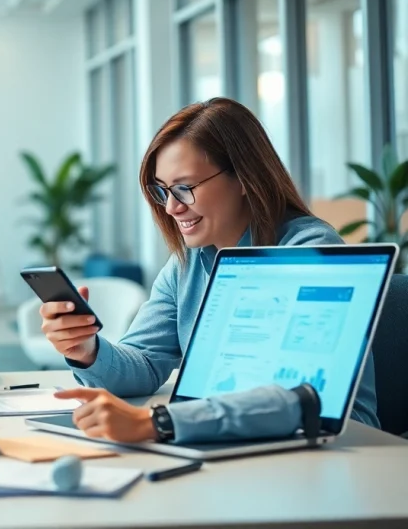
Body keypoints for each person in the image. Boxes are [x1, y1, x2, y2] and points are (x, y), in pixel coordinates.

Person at [44, 97, 380, 443]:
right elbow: (144, 363)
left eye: (184, 188)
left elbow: (304, 401)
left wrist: (160, 423)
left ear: (244, 178)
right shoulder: (186, 265)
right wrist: (87, 349)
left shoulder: (311, 252)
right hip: (230, 439)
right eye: (162, 190)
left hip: (336, 446)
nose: (172, 207)